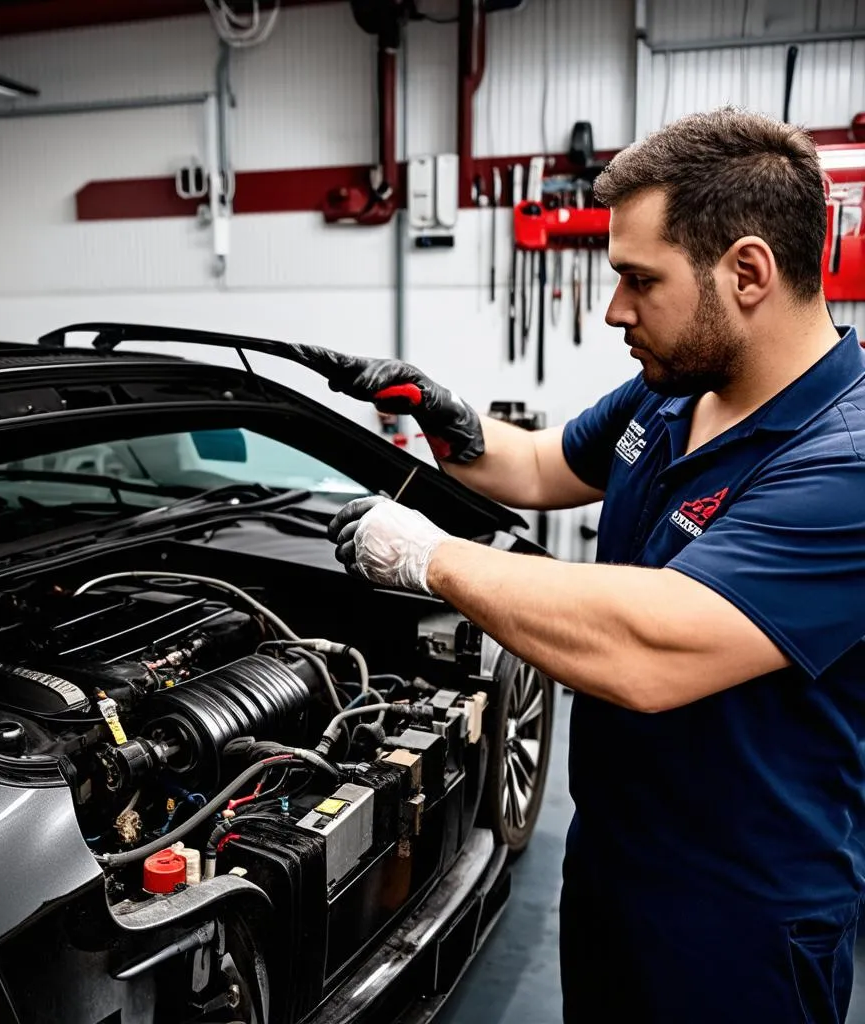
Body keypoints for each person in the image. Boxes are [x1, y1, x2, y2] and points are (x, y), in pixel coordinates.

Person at [297, 107, 865, 1022]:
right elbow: (537, 466)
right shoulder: (673, 390)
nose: (615, 310)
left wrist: (428, 558)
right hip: (610, 869)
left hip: (743, 917)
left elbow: (651, 649)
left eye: (640, 280)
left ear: (748, 272)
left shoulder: (846, 461)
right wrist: (443, 415)